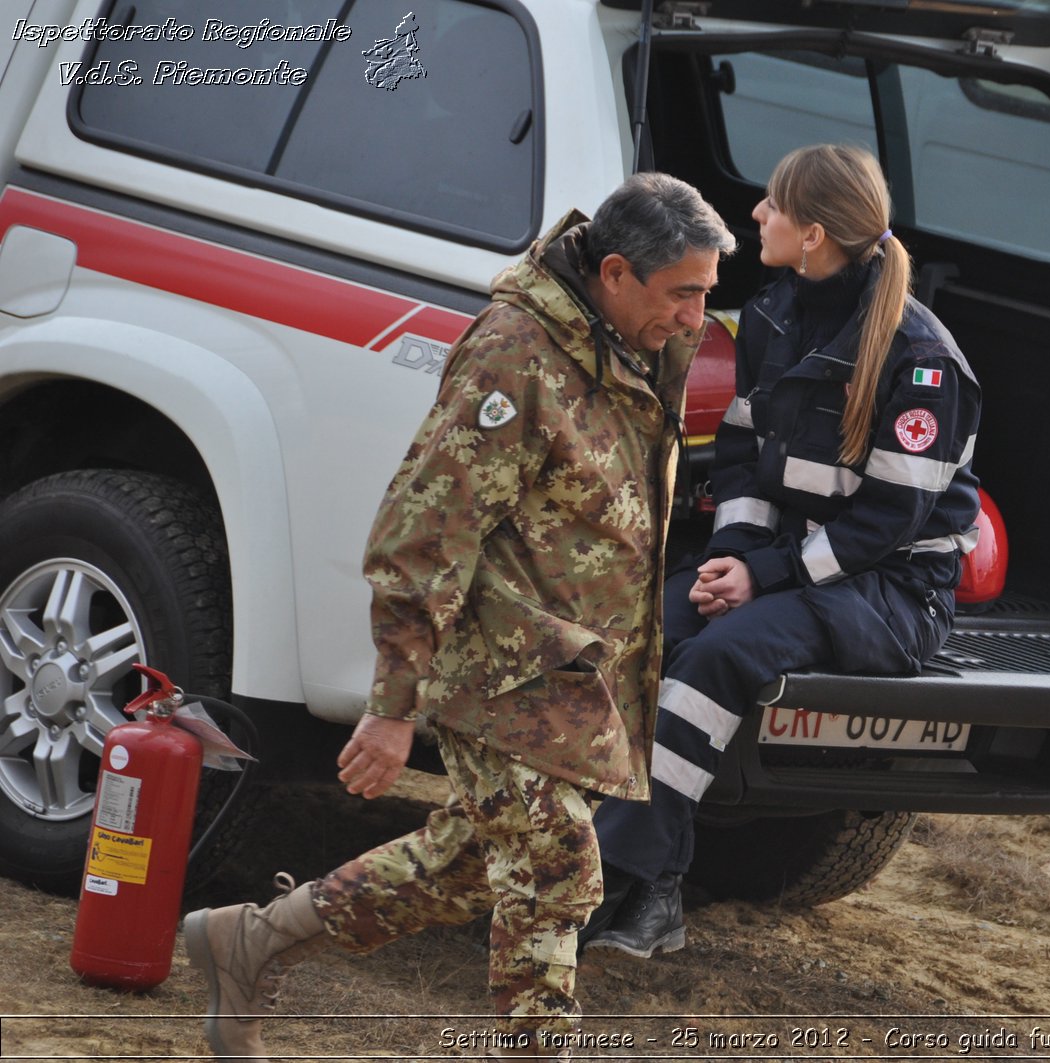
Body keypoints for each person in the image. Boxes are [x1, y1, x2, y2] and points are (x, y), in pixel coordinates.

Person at [181, 172, 735, 1059]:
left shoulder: (642, 339)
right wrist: (393, 703)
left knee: (472, 859)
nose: (698, 315)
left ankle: (253, 940)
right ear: (617, 273)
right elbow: (422, 531)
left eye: (708, 292)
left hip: (578, 674)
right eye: (685, 293)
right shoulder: (513, 353)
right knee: (556, 869)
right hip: (499, 667)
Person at [580, 144, 981, 958]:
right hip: (792, 565)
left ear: (814, 234)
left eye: (772, 205)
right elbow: (742, 456)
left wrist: (763, 577)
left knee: (718, 657)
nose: (755, 215)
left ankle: (615, 879)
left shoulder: (923, 360)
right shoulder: (771, 315)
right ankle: (645, 885)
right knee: (653, 627)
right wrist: (732, 557)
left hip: (891, 593)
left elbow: (886, 527)